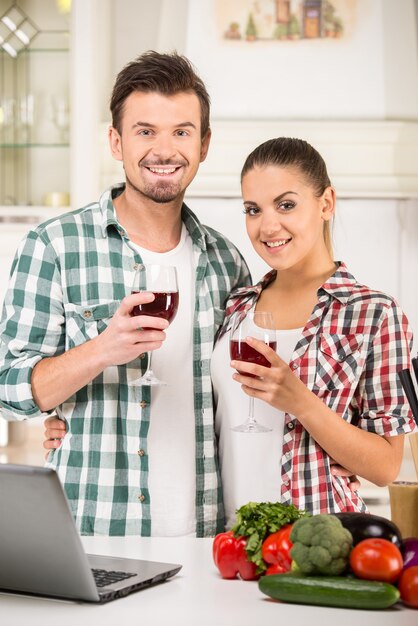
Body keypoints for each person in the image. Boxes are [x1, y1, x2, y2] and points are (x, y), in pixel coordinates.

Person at [0, 51, 251, 537]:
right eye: (145, 131)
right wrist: (102, 350)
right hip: (93, 533)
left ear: (204, 144)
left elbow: (243, 398)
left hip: (207, 539)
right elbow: (8, 388)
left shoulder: (227, 262)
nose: (164, 149)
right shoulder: (53, 246)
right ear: (116, 141)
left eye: (181, 131)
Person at [210, 137, 416, 529]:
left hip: (317, 540)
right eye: (253, 209)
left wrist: (300, 401)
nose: (268, 226)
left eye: (286, 205)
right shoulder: (235, 306)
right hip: (227, 543)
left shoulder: (373, 314)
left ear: (326, 203)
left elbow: (386, 467)